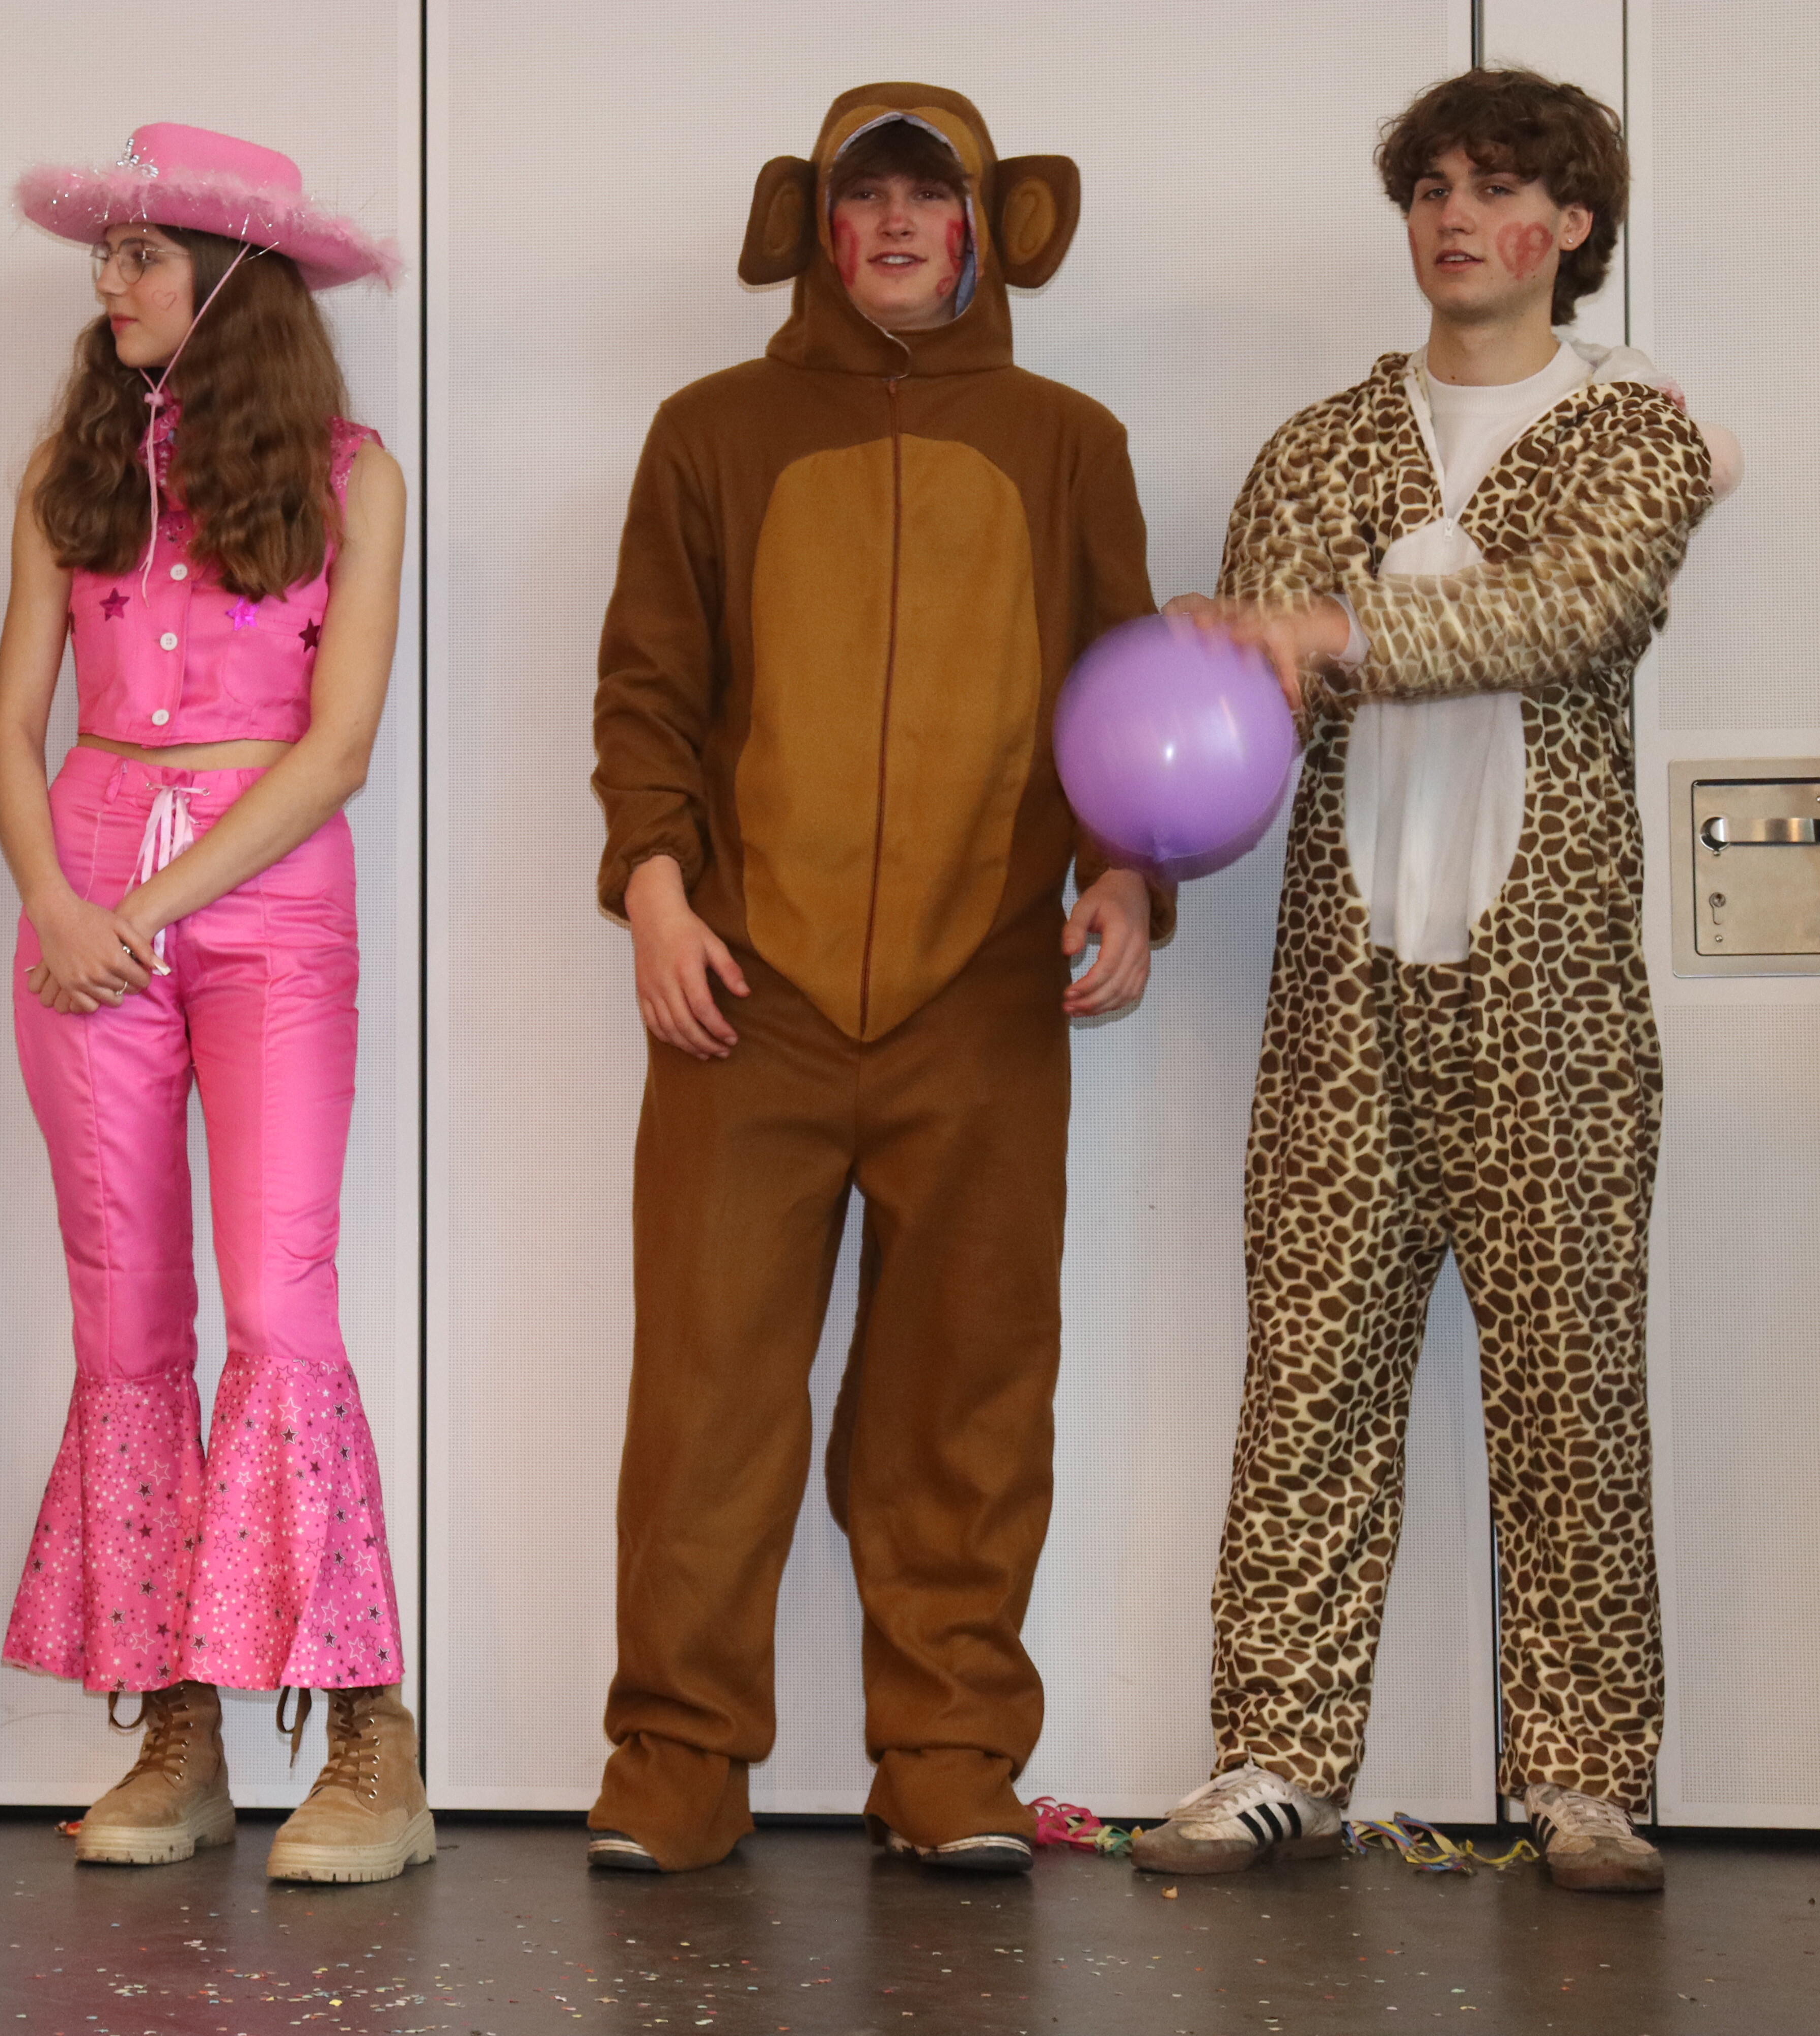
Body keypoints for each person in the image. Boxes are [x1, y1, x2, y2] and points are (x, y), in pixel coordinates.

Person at [1130, 68, 1727, 1895]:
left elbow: (1572, 610)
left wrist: (1329, 629)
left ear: (1574, 226)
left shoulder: (1639, 434)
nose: (1459, 218)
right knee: (1307, 1377)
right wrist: (1191, 717)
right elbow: (1241, 713)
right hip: (1343, 985)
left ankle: (1586, 1781)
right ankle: (1277, 1758)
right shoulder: (1317, 448)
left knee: (1573, 1390)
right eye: (1433, 189)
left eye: (1500, 188)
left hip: (1552, 998)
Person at [585, 82, 1161, 1876]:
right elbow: (649, 688)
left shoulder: (1070, 442)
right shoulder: (710, 432)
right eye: (868, 196)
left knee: (966, 1400)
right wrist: (655, 890)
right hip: (739, 1000)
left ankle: (950, 1759)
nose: (898, 223)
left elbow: (1122, 685)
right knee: (706, 1397)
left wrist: (1128, 870)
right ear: (818, 227)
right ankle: (677, 1757)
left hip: (985, 1003)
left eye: (932, 194)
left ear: (990, 225)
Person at [0, 123, 421, 1884]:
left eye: (143, 255)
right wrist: (56, 902)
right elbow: (11, 729)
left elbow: (339, 749)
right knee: (124, 1323)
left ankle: (370, 1738)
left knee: (281, 1304)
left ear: (235, 284)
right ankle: (180, 1729)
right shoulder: (72, 474)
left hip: (263, 905)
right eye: (108, 254)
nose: (111, 282)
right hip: (83, 896)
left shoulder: (355, 480)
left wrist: (145, 911)